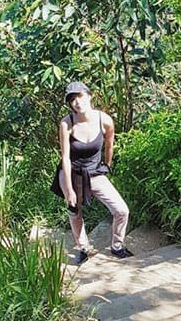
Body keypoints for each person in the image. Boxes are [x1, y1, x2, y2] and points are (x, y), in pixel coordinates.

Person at [52, 81, 132, 266]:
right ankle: (83, 248)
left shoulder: (104, 120)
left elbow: (110, 144)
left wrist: (107, 165)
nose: (77, 102)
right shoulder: (67, 123)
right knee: (74, 210)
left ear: (89, 96)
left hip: (94, 172)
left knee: (121, 210)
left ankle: (117, 245)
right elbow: (65, 157)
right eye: (72, 99)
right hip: (71, 173)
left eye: (79, 96)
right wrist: (69, 190)